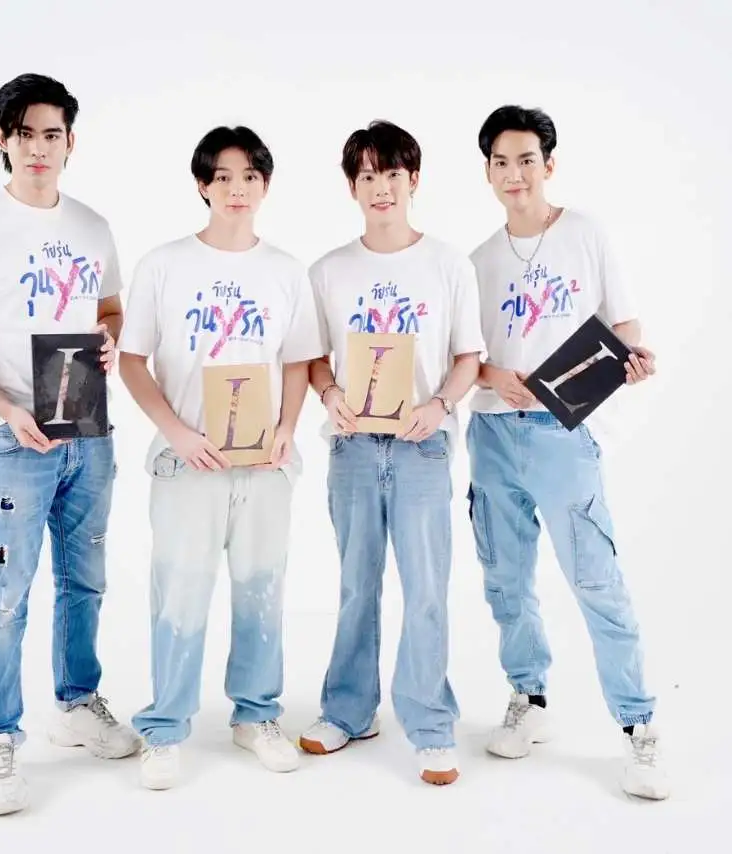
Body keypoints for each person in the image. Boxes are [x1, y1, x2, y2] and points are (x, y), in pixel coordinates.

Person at [0, 73, 140, 817]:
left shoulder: (93, 226)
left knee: (86, 581)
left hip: (88, 431)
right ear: (3, 140)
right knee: (5, 596)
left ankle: (76, 703)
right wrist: (2, 405)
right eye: (25, 134)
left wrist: (108, 339)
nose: (39, 148)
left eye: (52, 134)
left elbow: (110, 309)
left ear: (71, 142)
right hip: (15, 441)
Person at [465, 103, 669, 800]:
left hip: (564, 434)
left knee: (595, 580)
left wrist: (632, 361)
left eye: (527, 160)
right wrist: (496, 379)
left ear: (548, 165)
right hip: (494, 433)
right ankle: (529, 699)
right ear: (488, 172)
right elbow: (466, 360)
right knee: (506, 579)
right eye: (501, 162)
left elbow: (625, 326)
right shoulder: (478, 261)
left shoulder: (585, 234)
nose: (514, 174)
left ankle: (639, 728)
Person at [117, 125, 324, 790]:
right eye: (224, 177)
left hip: (264, 465)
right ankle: (164, 728)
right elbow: (131, 360)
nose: (238, 189)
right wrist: (176, 431)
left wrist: (287, 428)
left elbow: (297, 361)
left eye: (250, 176)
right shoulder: (164, 265)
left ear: (266, 185)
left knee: (262, 590)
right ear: (202, 185)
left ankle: (256, 716)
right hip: (188, 463)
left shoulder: (285, 270)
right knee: (179, 592)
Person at [299, 120, 485, 786]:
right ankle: (348, 711)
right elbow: (313, 358)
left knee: (426, 589)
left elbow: (468, 357)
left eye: (393, 174)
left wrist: (439, 408)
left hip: (421, 448)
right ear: (353, 186)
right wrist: (329, 396)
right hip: (353, 447)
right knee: (357, 584)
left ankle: (431, 725)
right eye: (368, 175)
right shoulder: (328, 271)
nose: (382, 187)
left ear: (415, 180)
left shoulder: (448, 265)